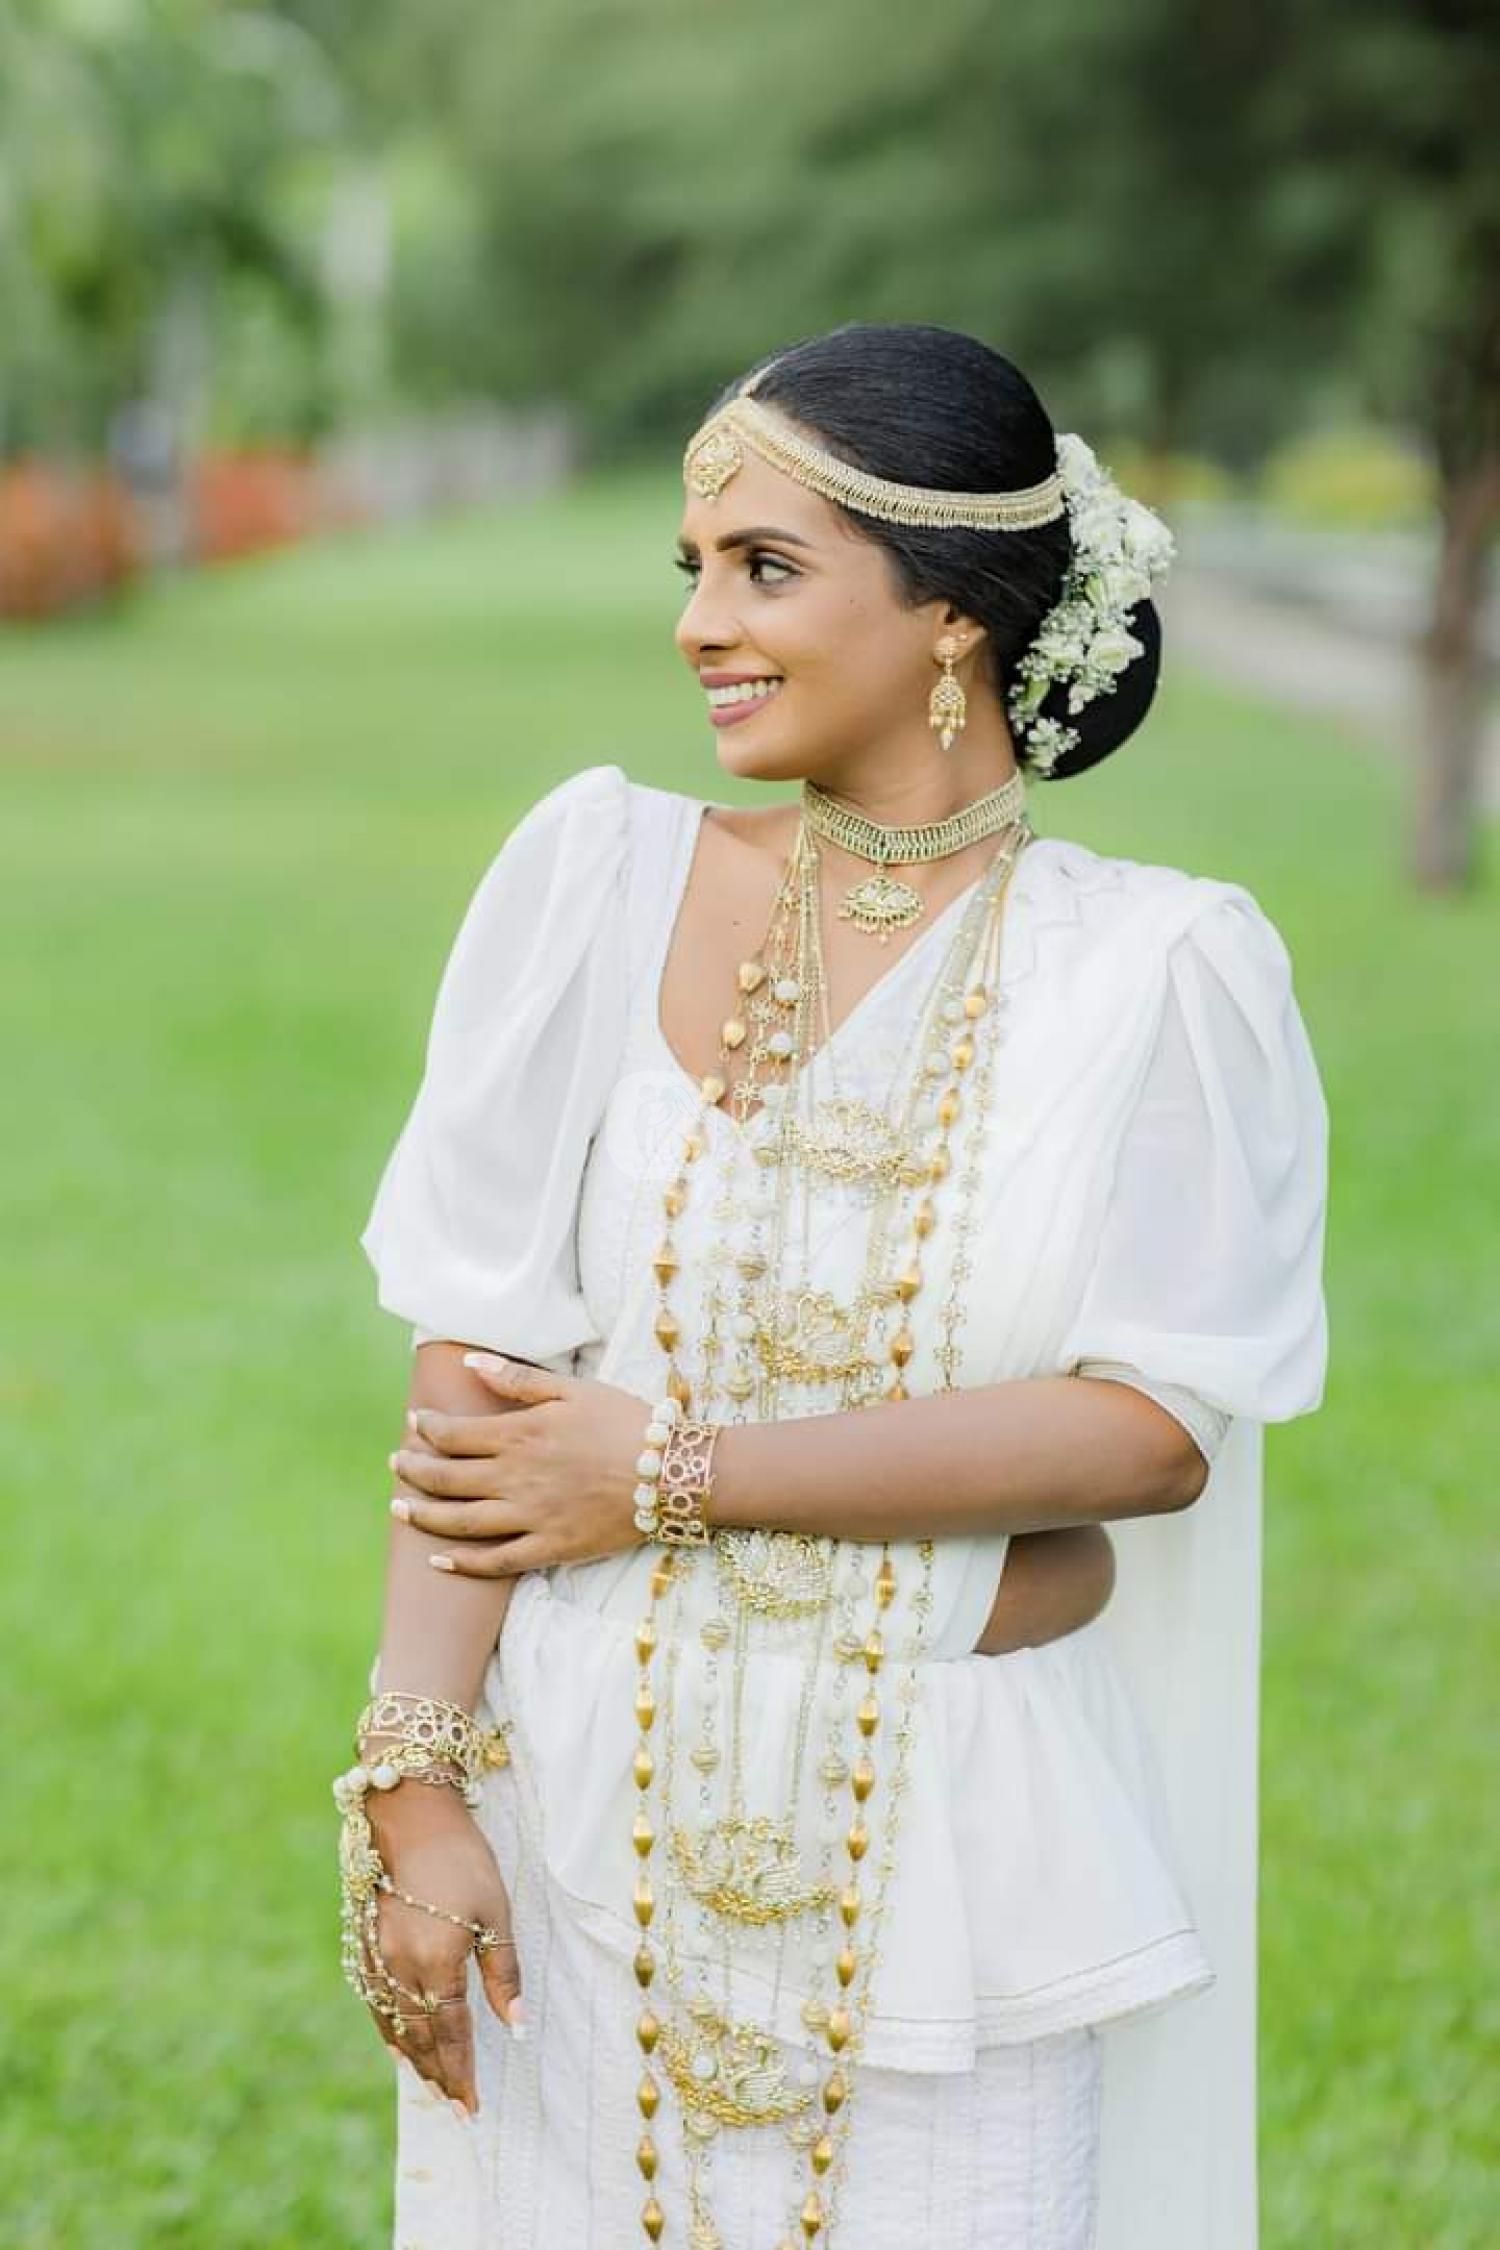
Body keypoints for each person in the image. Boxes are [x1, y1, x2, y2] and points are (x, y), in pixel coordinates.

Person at [341, 323, 1329, 2250]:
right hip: (579, 1830)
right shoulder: (593, 883)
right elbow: (476, 1375)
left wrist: (669, 1473)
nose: (700, 622)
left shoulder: (1157, 972)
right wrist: (413, 1785)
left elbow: (1149, 1433)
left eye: (766, 567)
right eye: (694, 568)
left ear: (952, 611)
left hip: (958, 1864)